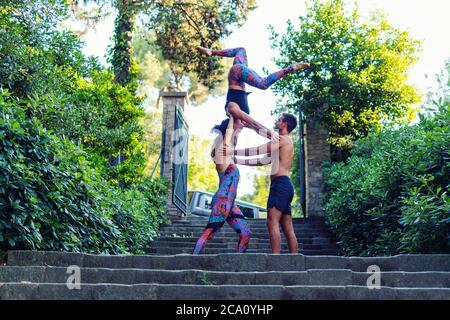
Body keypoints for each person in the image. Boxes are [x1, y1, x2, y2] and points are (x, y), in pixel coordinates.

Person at [196, 46, 309, 139]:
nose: (240, 129)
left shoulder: (232, 110)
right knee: (241, 50)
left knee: (263, 84)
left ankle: (291, 68)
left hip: (237, 73)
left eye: (238, 130)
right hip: (239, 74)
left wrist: (273, 136)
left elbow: (255, 124)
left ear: (230, 126)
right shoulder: (240, 120)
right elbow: (256, 129)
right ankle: (211, 52)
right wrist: (272, 138)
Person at [231, 113, 299, 254]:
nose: (277, 121)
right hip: (284, 186)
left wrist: (232, 151)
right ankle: (295, 259)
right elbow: (262, 160)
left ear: (285, 124)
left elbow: (259, 149)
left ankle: (275, 258)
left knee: (271, 221)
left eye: (279, 120)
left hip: (280, 185)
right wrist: (237, 159)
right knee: (287, 226)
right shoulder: (283, 143)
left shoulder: (283, 139)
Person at [192, 116, 252, 254]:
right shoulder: (222, 152)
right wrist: (232, 115)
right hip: (222, 202)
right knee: (209, 233)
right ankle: (193, 259)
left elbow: (235, 135)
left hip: (230, 204)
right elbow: (230, 132)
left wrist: (245, 123)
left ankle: (237, 262)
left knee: (245, 233)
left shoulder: (229, 155)